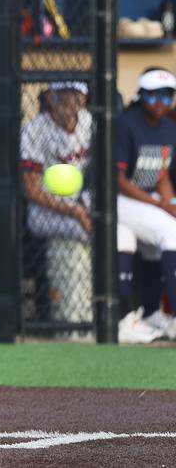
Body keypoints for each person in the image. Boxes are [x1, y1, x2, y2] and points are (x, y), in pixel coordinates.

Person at [20, 81, 93, 328]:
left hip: (82, 201)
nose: (69, 103)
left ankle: (103, 309)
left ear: (83, 99)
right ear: (50, 98)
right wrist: (75, 212)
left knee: (115, 228)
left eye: (75, 96)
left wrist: (82, 208)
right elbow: (32, 190)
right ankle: (73, 318)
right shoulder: (34, 130)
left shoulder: (90, 123)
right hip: (45, 208)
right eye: (63, 96)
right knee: (89, 231)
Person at [116, 67, 176, 342]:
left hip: (144, 200)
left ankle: (150, 314)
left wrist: (170, 201)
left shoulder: (169, 128)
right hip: (115, 198)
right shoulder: (125, 123)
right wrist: (161, 206)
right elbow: (118, 180)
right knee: (171, 231)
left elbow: (161, 174)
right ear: (141, 96)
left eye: (167, 96)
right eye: (153, 96)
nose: (160, 103)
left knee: (148, 246)